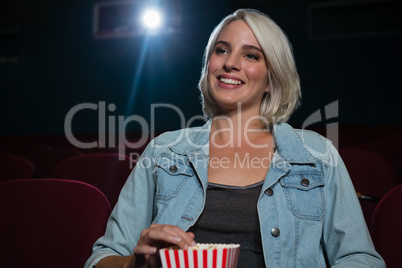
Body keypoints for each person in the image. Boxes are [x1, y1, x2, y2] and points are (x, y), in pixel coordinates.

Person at [85, 9, 385, 268]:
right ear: (209, 64)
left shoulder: (318, 154)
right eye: (221, 50)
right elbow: (103, 258)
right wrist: (134, 264)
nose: (231, 63)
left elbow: (360, 259)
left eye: (251, 55)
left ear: (272, 78)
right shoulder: (164, 151)